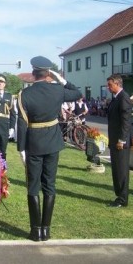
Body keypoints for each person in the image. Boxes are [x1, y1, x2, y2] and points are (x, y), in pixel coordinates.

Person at [16, 56, 82, 242]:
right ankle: (46, 230)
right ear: (48, 73)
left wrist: (21, 148)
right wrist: (61, 79)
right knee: (50, 185)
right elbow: (77, 93)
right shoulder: (57, 90)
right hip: (53, 142)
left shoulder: (24, 95)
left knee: (33, 186)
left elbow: (22, 123)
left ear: (34, 72)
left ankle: (35, 230)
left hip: (34, 144)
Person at [106, 74, 132, 208]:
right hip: (115, 139)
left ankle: (122, 199)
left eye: (110, 85)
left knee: (121, 171)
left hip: (120, 142)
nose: (108, 87)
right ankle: (119, 196)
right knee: (116, 169)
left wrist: (121, 140)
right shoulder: (116, 98)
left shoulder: (123, 98)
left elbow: (126, 122)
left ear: (117, 84)